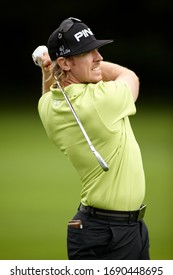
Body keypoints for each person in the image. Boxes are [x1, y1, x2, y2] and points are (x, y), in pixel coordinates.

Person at [36, 17, 150, 260]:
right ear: (65, 63)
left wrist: (48, 69)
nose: (98, 57)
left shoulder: (47, 107)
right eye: (88, 52)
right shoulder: (100, 100)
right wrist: (54, 65)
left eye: (97, 50)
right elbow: (130, 77)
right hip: (112, 233)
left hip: (99, 229)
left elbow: (50, 92)